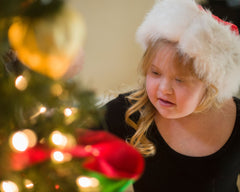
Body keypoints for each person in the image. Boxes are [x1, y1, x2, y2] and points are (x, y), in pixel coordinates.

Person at [96, 0, 240, 191]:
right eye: (155, 73)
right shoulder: (129, 110)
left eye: (179, 80)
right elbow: (71, 137)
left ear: (210, 84)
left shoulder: (236, 118)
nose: (164, 89)